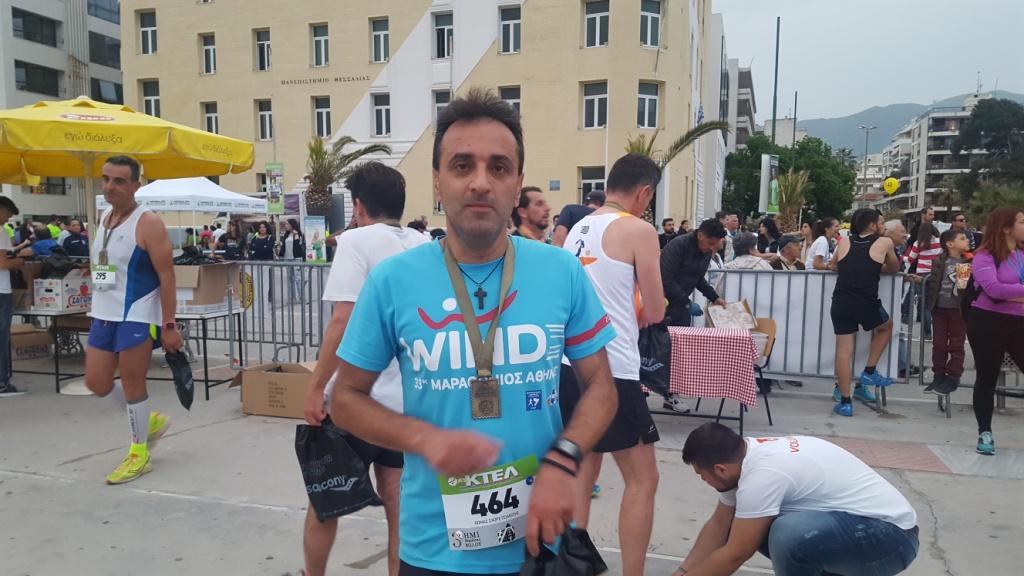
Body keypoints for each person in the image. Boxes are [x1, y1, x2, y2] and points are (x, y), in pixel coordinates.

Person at [329, 88, 618, 575]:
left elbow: (601, 387)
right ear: (438, 182)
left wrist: (564, 460)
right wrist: (425, 439)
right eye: (462, 165)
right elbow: (345, 399)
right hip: (433, 547)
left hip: (540, 544)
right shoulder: (392, 281)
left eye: (498, 167)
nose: (481, 182)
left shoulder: (561, 272)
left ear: (517, 184)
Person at [301, 162, 427, 576]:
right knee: (399, 508)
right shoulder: (423, 242)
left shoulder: (356, 241)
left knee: (326, 500)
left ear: (358, 206)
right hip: (407, 400)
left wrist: (316, 388)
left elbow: (343, 320)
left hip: (359, 399)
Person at [560, 153, 665, 576]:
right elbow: (655, 309)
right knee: (644, 479)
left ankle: (573, 567)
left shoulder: (576, 228)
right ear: (644, 192)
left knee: (583, 471)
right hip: (612, 367)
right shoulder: (638, 230)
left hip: (569, 364)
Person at [676, 423, 919, 576]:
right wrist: (683, 571)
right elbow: (719, 525)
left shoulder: (762, 476)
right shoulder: (743, 457)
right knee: (745, 524)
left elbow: (737, 552)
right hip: (861, 528)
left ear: (720, 469)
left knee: (786, 534)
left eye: (701, 475)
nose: (703, 481)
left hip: (892, 539)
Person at [84, 156, 182, 484]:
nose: (110, 186)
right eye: (106, 179)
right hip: (103, 312)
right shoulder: (105, 217)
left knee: (132, 383)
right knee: (96, 382)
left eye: (119, 181)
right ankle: (148, 422)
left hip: (136, 313)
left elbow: (167, 276)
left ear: (136, 186)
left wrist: (169, 324)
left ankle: (139, 453)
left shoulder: (148, 222)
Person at [965, 207, 1024, 456]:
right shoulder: (985, 256)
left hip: (1019, 322)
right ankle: (985, 432)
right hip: (988, 322)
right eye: (1022, 221)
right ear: (1006, 228)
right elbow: (994, 290)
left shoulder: (1022, 254)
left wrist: (1014, 293)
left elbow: (1004, 290)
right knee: (987, 377)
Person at [829, 208, 899, 416]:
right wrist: (875, 268)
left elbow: (833, 265)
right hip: (866, 301)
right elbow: (894, 268)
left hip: (841, 301)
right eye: (881, 222)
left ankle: (846, 403)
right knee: (886, 327)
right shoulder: (885, 242)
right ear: (872, 225)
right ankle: (869, 371)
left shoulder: (843, 241)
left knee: (843, 352)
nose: (884, 226)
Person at [923, 229, 972, 395]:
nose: (967, 241)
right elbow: (932, 280)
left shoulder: (967, 261)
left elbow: (962, 288)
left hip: (957, 310)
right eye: (962, 238)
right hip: (939, 308)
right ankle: (938, 375)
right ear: (950, 244)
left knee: (956, 344)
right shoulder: (939, 261)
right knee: (939, 344)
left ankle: (953, 376)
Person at [662, 219, 728, 328]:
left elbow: (698, 277)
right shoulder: (679, 245)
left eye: (715, 245)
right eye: (710, 243)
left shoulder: (707, 250)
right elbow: (666, 277)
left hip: (682, 305)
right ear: (700, 236)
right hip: (663, 303)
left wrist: (715, 297)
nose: (712, 248)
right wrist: (686, 303)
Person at [0, 197, 25, 396]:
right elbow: (3, 263)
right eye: (8, 214)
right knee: (1, 337)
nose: (8, 219)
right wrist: (19, 262)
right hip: (1, 291)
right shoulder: (0, 231)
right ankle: (2, 383)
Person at [904, 221, 940, 340]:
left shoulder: (918, 243)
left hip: (921, 275)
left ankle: (927, 333)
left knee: (924, 305)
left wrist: (901, 257)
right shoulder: (939, 242)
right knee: (933, 304)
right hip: (935, 274)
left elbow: (910, 259)